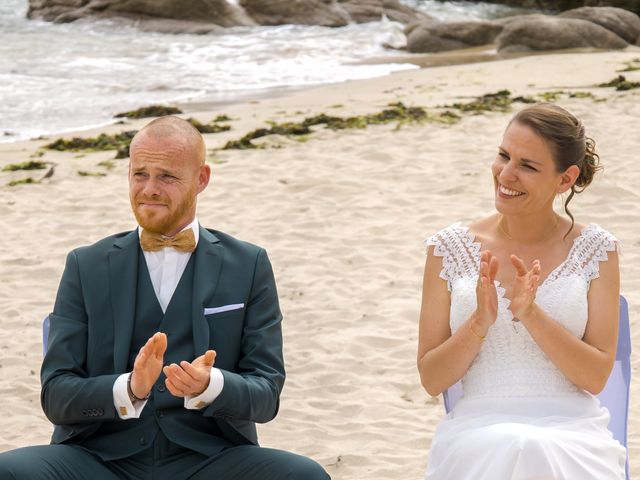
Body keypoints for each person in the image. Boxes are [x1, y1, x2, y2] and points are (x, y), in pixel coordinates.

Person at [0, 116, 330, 480]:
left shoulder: (248, 264)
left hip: (209, 460)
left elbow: (266, 394)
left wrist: (211, 385)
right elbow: (57, 396)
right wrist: (128, 388)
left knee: (305, 475)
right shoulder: (86, 265)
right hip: (99, 461)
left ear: (201, 179)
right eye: (140, 174)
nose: (150, 188)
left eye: (167, 176)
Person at [417, 103, 626, 479]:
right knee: (516, 445)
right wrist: (479, 322)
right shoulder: (447, 248)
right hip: (477, 429)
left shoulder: (597, 250)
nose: (505, 174)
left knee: (531, 448)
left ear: (565, 180)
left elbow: (595, 378)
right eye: (503, 155)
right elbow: (432, 380)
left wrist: (531, 314)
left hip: (572, 430)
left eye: (527, 166)